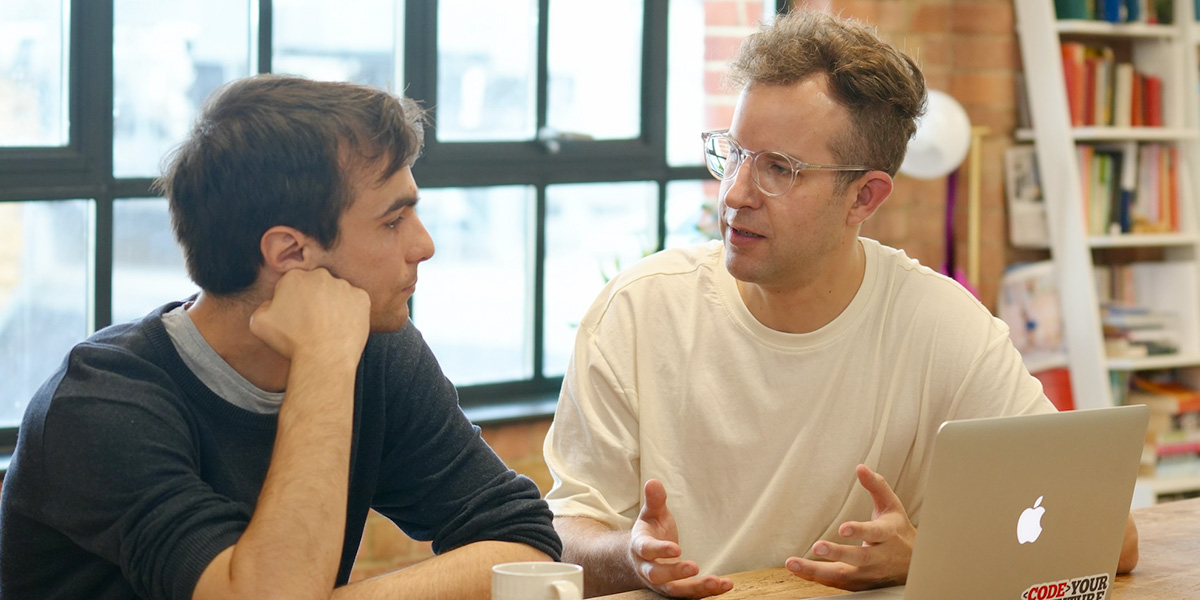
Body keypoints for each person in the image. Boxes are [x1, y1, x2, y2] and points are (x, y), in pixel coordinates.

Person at [542, 9, 1138, 599]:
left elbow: (1114, 537)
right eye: (734, 153)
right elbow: (560, 537)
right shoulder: (641, 310)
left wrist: (920, 555)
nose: (736, 193)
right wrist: (631, 556)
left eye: (779, 168)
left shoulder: (940, 324)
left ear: (864, 197)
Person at [0, 75, 561, 600]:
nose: (425, 245)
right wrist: (322, 359)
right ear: (291, 254)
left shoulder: (377, 351)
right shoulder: (97, 404)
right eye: (393, 221)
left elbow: (524, 540)